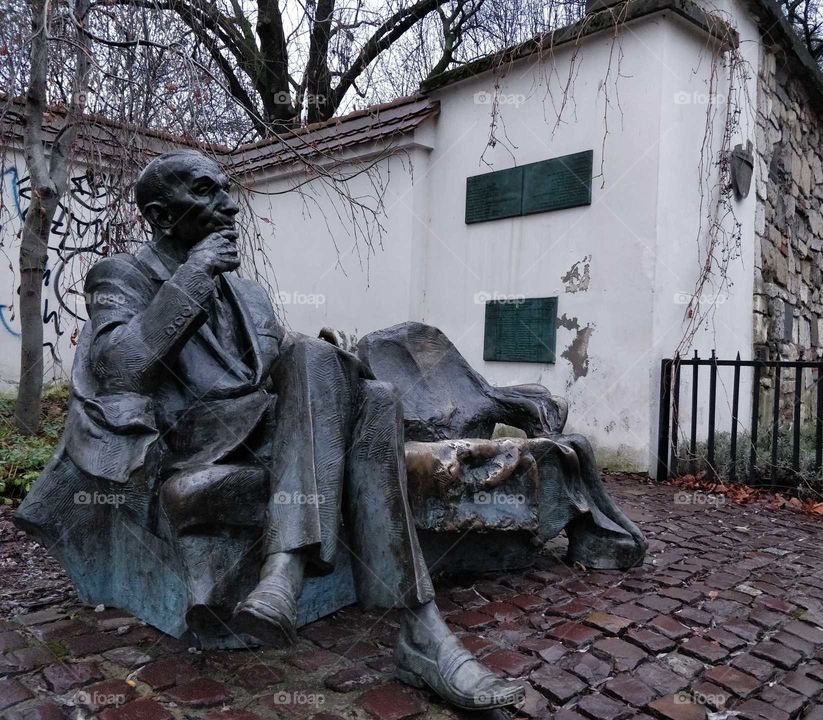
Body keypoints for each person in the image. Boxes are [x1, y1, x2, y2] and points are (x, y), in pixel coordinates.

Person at [18, 150, 522, 711]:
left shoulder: (251, 294)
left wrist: (337, 366)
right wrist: (193, 276)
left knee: (369, 392)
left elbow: (286, 363)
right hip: (194, 437)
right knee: (332, 374)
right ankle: (395, 620)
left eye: (227, 190)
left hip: (264, 425)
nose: (230, 205)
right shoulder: (121, 275)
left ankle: (383, 612)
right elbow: (118, 366)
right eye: (207, 193)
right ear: (162, 215)